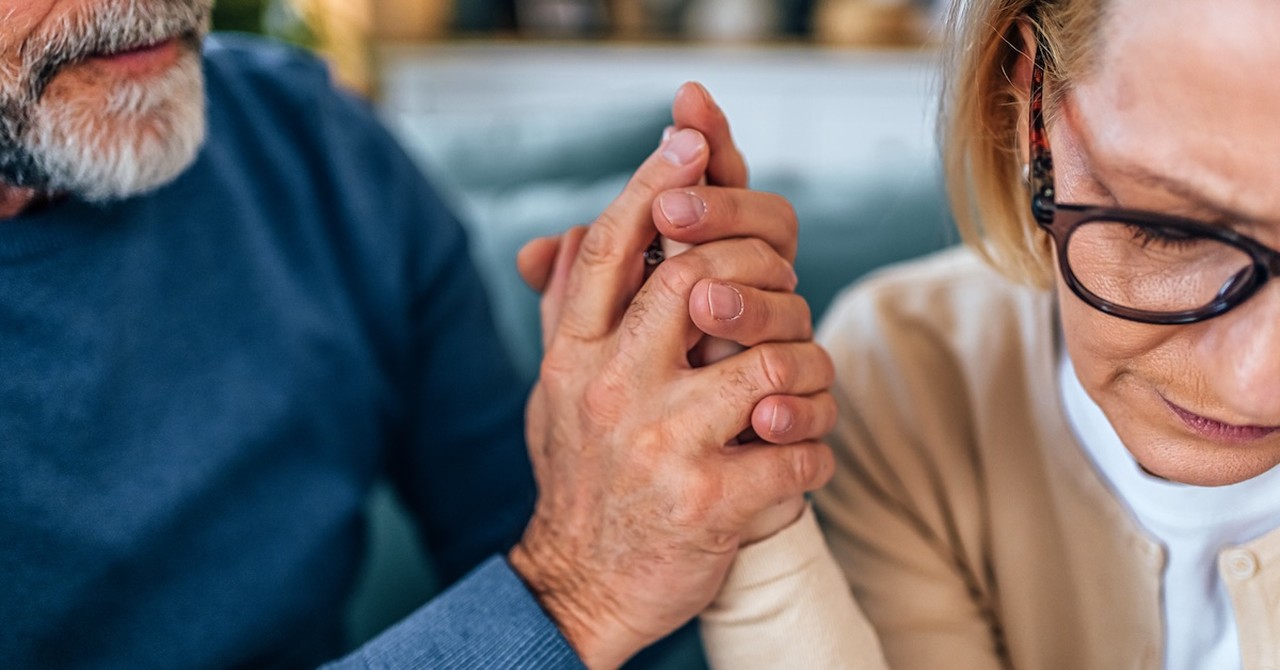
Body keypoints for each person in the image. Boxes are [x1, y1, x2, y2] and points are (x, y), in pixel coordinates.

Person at [0, 1, 836, 667]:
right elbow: (582, 583)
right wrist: (568, 597)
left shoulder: (316, 152)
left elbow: (584, 577)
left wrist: (650, 433)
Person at [696, 0, 1280, 668]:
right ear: (1032, 100)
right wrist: (757, 526)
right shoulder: (912, 374)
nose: (1259, 386)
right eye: (1171, 229)